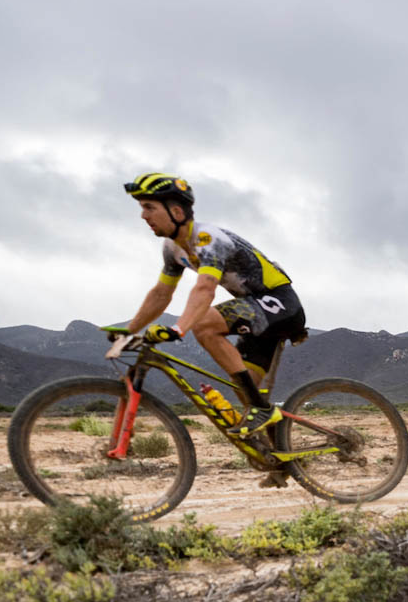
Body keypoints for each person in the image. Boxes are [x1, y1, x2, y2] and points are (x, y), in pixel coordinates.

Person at [121, 172, 307, 484]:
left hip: (279, 303)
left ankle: (262, 412)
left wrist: (179, 329)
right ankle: (284, 463)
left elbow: (205, 288)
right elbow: (161, 294)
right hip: (255, 314)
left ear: (177, 212)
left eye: (150, 207)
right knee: (249, 394)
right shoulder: (172, 249)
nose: (143, 215)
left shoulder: (208, 239)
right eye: (142, 208)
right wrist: (129, 331)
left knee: (204, 324)